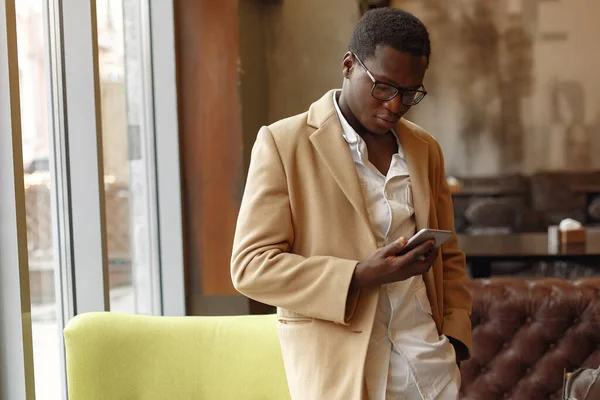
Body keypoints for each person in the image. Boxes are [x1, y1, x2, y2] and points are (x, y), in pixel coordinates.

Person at [231, 7, 471, 400]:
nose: (395, 105)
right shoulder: (283, 143)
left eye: (410, 93)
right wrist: (357, 275)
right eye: (383, 87)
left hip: (428, 364)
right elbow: (250, 267)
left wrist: (455, 339)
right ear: (348, 66)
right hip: (341, 370)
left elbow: (451, 255)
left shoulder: (424, 149)